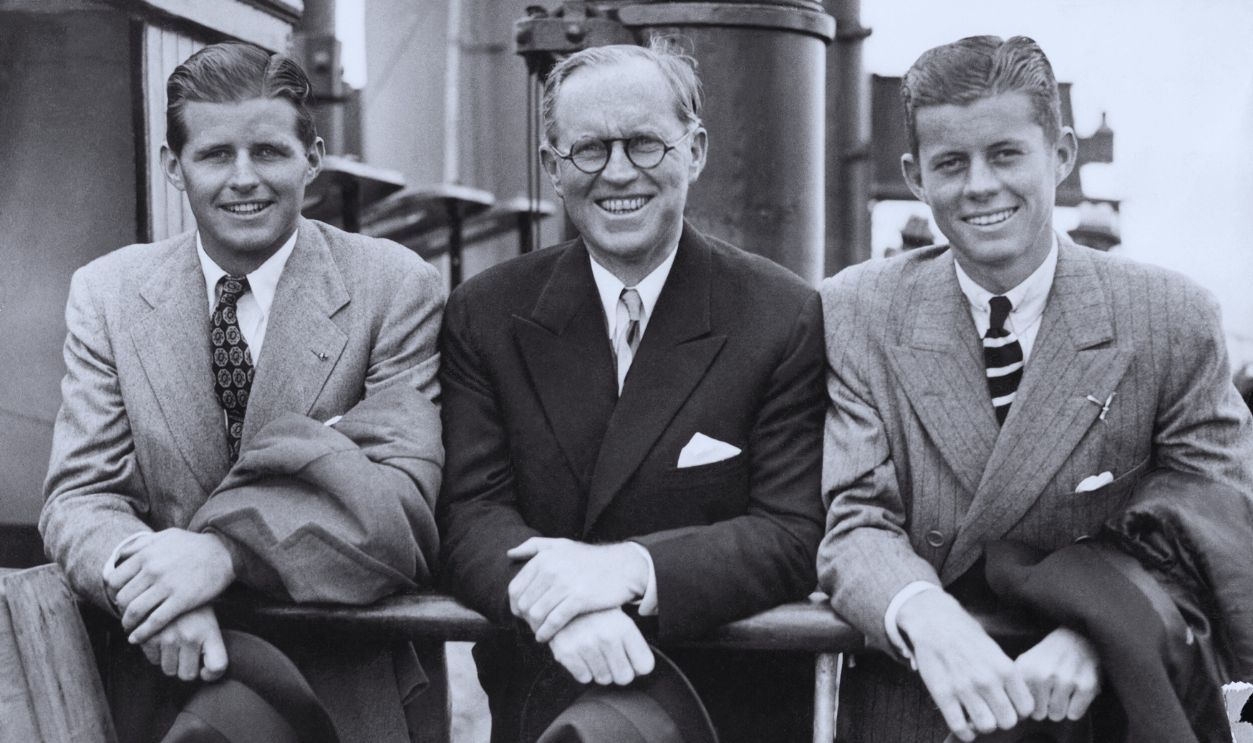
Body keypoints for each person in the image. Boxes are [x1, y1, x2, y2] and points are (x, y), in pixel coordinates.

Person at [817, 35, 1253, 743]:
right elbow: (855, 517)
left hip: (1109, 709)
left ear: (1061, 155)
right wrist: (922, 611)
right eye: (950, 163)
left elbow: (1216, 521)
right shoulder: (856, 310)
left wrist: (1106, 626)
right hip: (919, 705)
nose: (979, 184)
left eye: (1005, 153)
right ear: (914, 175)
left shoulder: (1171, 318)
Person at [39, 41, 444, 742]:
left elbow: (400, 503)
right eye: (216, 155)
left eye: (269, 152)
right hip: (172, 679)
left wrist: (219, 556)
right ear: (174, 166)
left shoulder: (393, 286)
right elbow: (79, 497)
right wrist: (156, 589)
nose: (245, 179)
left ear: (312, 156)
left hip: (347, 689)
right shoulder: (106, 293)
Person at [437, 40, 826, 743]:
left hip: (725, 711)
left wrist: (623, 569)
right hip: (551, 702)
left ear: (696, 150)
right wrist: (566, 608)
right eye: (588, 149)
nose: (618, 172)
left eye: (644, 143)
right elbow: (469, 511)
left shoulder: (781, 314)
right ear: (553, 168)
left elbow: (791, 532)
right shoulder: (486, 314)